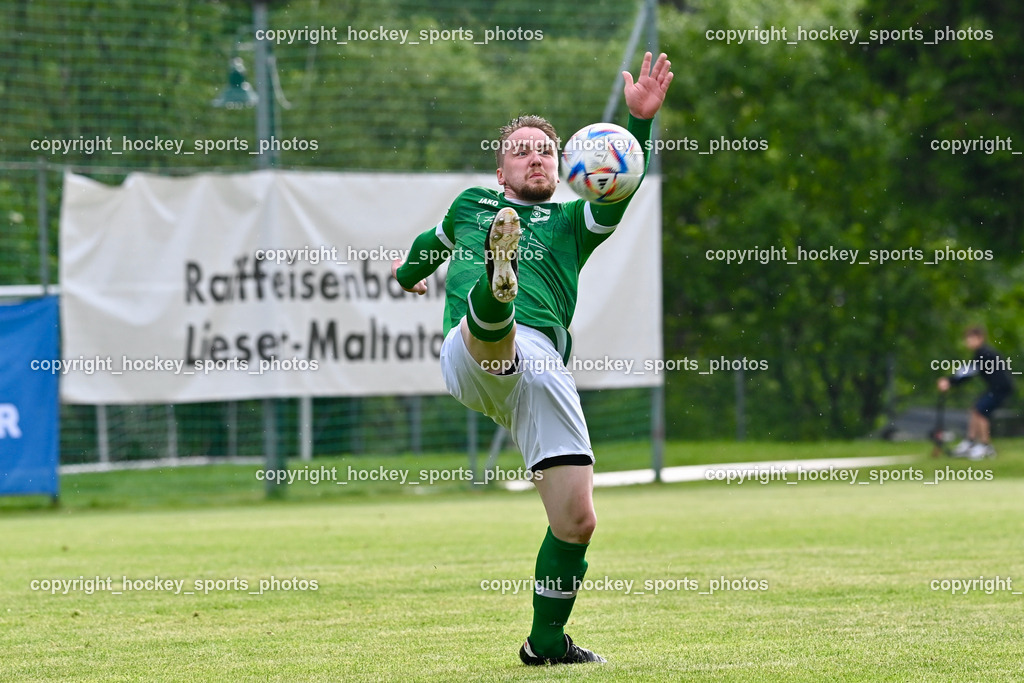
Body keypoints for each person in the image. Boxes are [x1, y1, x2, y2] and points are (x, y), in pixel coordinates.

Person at [390, 52, 673, 665]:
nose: (536, 155)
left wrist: (640, 124)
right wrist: (406, 273)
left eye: (546, 148)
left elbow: (620, 187)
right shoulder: (472, 206)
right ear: (501, 170)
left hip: (542, 378)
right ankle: (497, 291)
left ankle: (545, 645)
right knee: (501, 333)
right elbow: (424, 247)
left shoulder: (576, 222)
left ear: (564, 163)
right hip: (475, 352)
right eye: (521, 149)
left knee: (577, 522)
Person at [937, 326, 1014, 459]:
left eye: (970, 339)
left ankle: (985, 446)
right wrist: (951, 381)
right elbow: (968, 371)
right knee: (975, 410)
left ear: (980, 338)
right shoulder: (981, 353)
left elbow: (967, 372)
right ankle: (970, 442)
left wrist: (950, 381)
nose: (967, 342)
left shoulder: (984, 353)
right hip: (996, 388)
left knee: (980, 412)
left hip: (1000, 388)